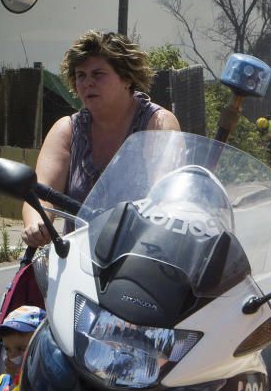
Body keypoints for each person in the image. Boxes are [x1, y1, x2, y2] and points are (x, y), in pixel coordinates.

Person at [21, 31, 180, 247]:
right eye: (81, 75)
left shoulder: (158, 123)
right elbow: (41, 192)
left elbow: (163, 192)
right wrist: (37, 224)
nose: (88, 83)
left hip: (142, 256)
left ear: (126, 78)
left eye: (98, 74)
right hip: (78, 261)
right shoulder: (66, 130)